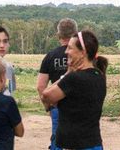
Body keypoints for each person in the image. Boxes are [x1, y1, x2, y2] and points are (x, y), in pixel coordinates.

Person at [41, 29, 108, 150]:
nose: (66, 51)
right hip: (94, 142)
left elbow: (46, 95)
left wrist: (67, 73)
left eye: (70, 48)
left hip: (75, 145)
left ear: (83, 52)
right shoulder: (100, 76)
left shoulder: (74, 78)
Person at [37, 17, 78, 150]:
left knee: (57, 140)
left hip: (57, 106)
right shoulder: (81, 55)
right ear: (76, 33)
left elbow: (41, 86)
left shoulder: (50, 56)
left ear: (58, 35)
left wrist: (48, 107)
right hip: (79, 105)